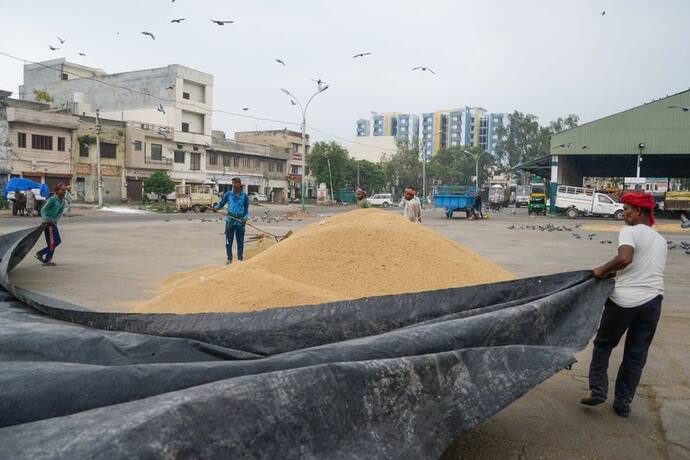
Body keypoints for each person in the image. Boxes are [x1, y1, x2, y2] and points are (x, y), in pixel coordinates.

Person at [582, 192, 667, 417]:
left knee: (603, 344)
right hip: (653, 302)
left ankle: (598, 390)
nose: (624, 214)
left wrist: (601, 269)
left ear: (638, 211)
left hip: (624, 301)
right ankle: (623, 403)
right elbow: (642, 267)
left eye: (627, 209)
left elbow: (625, 259)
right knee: (636, 355)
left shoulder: (629, 231)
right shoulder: (660, 240)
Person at [211, 177, 249, 264]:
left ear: (239, 184)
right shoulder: (228, 194)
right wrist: (216, 208)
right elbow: (221, 204)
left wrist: (245, 218)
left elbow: (246, 209)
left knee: (240, 241)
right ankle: (229, 259)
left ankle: (240, 259)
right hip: (230, 221)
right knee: (229, 241)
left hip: (240, 222)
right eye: (232, 183)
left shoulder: (244, 196)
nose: (233, 185)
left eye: (235, 183)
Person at [34, 183, 68, 266]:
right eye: (62, 190)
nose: (64, 192)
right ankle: (46, 260)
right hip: (47, 224)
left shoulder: (63, 202)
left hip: (53, 223)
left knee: (57, 241)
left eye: (65, 190)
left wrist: (55, 220)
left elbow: (60, 213)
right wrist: (46, 220)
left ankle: (41, 254)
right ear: (57, 191)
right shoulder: (52, 199)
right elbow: (43, 209)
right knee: (53, 242)